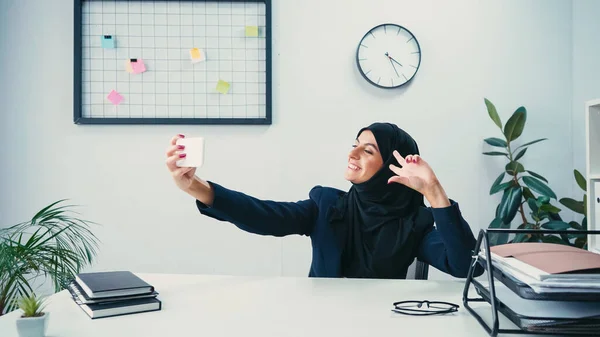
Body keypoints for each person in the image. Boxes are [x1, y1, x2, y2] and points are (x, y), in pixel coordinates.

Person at [165, 122, 483, 279]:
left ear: (389, 165)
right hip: (321, 321)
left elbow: (465, 266)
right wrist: (195, 186)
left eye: (368, 150)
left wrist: (434, 192)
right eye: (355, 144)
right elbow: (265, 215)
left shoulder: (418, 222)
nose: (352, 153)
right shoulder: (328, 205)